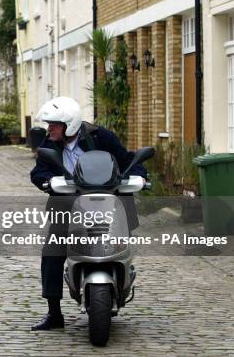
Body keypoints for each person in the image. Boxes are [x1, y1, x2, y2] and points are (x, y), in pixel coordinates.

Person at [29, 96, 147, 331]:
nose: (49, 128)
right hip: (69, 204)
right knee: (52, 250)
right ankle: (54, 313)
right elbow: (38, 171)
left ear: (69, 125)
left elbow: (127, 160)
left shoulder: (101, 137)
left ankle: (120, 280)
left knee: (119, 243)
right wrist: (46, 181)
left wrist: (142, 175)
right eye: (49, 124)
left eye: (53, 124)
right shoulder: (50, 141)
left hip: (109, 201)